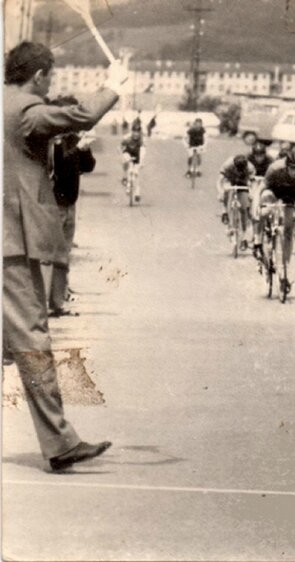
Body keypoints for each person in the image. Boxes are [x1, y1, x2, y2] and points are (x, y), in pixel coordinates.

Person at [4, 41, 126, 471]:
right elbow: (76, 114)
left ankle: (58, 441)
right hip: (9, 247)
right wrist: (112, 87)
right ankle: (58, 443)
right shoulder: (23, 111)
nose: (49, 84)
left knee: (10, 346)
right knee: (31, 341)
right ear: (38, 76)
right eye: (49, 77)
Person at [48, 95, 97, 317]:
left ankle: (59, 297)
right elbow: (59, 167)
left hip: (69, 203)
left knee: (64, 253)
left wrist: (84, 150)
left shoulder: (72, 138)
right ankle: (53, 300)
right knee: (54, 253)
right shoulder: (53, 141)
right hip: (54, 204)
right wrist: (79, 148)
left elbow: (88, 166)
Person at [252, 145, 295, 292]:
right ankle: (258, 242)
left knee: (288, 228)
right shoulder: (275, 168)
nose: (294, 171)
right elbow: (259, 190)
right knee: (264, 210)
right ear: (286, 165)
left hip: (292, 196)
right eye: (291, 168)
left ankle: (284, 266)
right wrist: (256, 207)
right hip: (273, 190)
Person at [217, 154, 255, 251]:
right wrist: (220, 191)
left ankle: (244, 233)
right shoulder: (227, 165)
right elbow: (220, 180)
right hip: (230, 180)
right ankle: (225, 211)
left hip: (243, 183)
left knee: (244, 207)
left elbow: (252, 183)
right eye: (238, 169)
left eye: (241, 170)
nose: (239, 171)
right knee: (226, 191)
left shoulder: (250, 168)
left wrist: (251, 193)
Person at [120, 126, 145, 203]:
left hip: (137, 154)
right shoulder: (127, 138)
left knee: (136, 174)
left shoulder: (141, 139)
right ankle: (125, 178)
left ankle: (137, 193)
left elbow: (143, 150)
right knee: (125, 161)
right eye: (134, 132)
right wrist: (123, 154)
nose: (136, 134)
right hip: (128, 152)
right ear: (132, 132)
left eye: (138, 132)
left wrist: (141, 161)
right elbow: (121, 147)